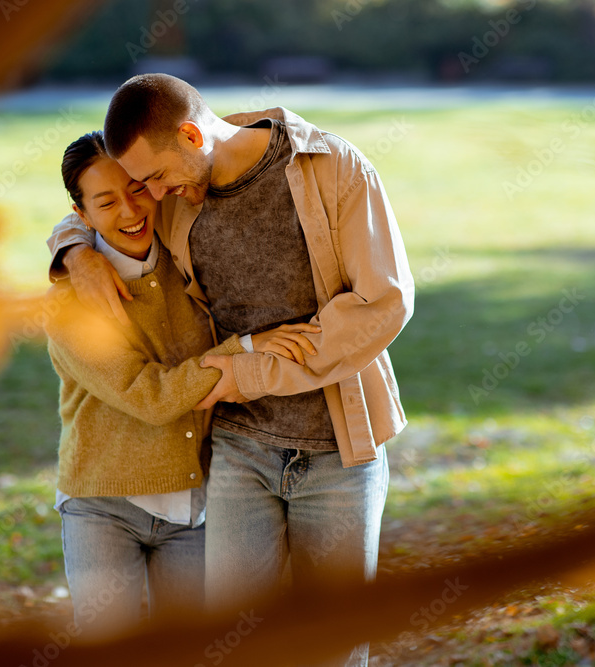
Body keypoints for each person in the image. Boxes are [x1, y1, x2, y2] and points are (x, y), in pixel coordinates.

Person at [48, 75, 414, 665]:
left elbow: (385, 304)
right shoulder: (175, 190)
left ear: (192, 135)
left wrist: (248, 372)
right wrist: (73, 252)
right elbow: (106, 210)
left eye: (157, 180)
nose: (153, 196)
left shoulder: (331, 168)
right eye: (146, 183)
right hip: (236, 453)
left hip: (340, 449)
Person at [45, 130, 320, 639]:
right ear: (81, 216)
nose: (129, 210)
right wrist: (247, 349)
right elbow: (149, 398)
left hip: (194, 509)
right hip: (103, 507)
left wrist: (72, 246)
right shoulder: (69, 307)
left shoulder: (184, 252)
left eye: (136, 189)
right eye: (106, 202)